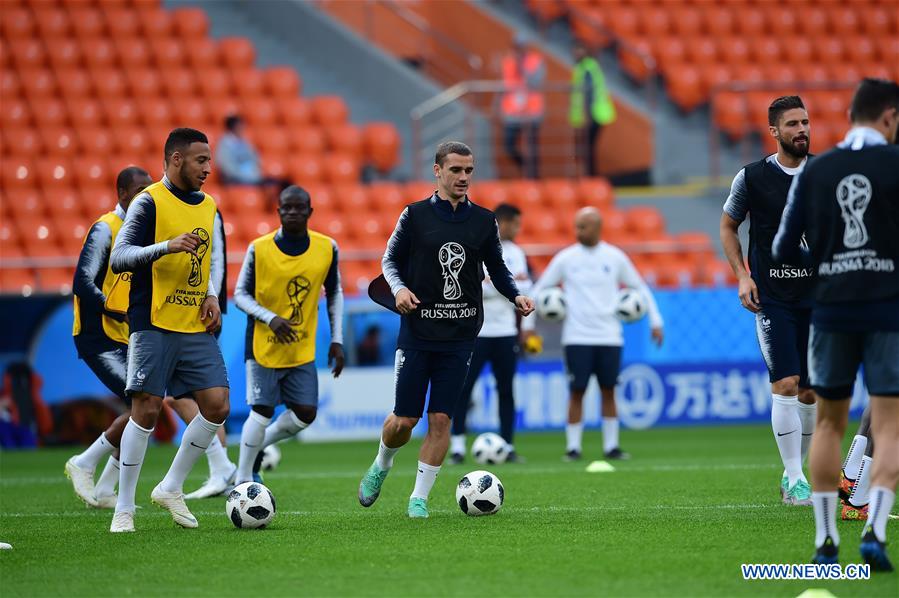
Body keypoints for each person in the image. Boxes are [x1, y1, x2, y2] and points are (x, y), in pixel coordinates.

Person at [356, 141, 534, 518]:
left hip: (462, 335)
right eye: (456, 170)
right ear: (437, 171)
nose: (464, 177)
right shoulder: (415, 215)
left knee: (441, 419)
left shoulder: (484, 221)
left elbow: (498, 269)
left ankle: (418, 498)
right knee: (404, 421)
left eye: (469, 170)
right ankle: (382, 463)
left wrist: (515, 296)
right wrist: (400, 289)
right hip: (418, 334)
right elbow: (389, 260)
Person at [773, 78, 899, 570]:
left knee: (827, 422)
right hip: (888, 308)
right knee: (888, 425)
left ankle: (826, 540)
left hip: (830, 310)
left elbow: (783, 248)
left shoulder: (816, 171)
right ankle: (876, 532)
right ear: (888, 116)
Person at [65, 168, 237, 508]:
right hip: (99, 335)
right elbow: (82, 282)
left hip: (134, 332)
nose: (147, 194)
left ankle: (102, 487)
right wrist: (114, 310)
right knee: (146, 404)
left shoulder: (151, 223)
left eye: (149, 188)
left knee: (151, 404)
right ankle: (85, 462)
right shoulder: (105, 228)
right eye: (140, 189)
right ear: (122, 193)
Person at [108, 128, 230, 533]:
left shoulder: (209, 205)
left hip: (193, 321)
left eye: (209, 161)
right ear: (176, 159)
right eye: (201, 161)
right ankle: (124, 507)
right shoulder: (148, 203)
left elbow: (204, 259)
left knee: (217, 405)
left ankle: (171, 486)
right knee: (145, 410)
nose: (208, 169)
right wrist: (166, 246)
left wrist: (211, 294)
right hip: (153, 321)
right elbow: (120, 257)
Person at [719, 95, 817, 507]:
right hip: (772, 298)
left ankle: (794, 471)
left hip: (820, 298)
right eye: (792, 124)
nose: (802, 130)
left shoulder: (825, 175)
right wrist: (742, 275)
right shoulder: (752, 177)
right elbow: (728, 225)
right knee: (786, 383)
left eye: (805, 122)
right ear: (774, 131)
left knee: (812, 392)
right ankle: (796, 479)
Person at [530, 207, 663, 461]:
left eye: (583, 226)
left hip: (609, 335)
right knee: (577, 390)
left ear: (597, 227)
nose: (578, 231)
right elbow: (539, 289)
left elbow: (640, 288)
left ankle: (611, 446)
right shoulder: (566, 258)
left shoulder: (615, 258)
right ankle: (573, 447)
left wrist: (656, 321)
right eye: (577, 226)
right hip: (576, 337)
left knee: (609, 389)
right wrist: (527, 327)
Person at [233, 185, 345, 485]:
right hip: (262, 345)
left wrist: (337, 339)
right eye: (287, 207)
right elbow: (240, 295)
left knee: (306, 413)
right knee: (262, 409)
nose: (293, 212)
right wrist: (270, 319)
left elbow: (334, 294)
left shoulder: (327, 248)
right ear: (278, 211)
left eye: (299, 207)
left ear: (310, 211)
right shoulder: (259, 248)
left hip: (301, 347)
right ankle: (243, 479)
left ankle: (260, 445)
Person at [450, 203, 531, 464]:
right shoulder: (477, 246)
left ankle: (507, 447)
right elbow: (474, 289)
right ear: (503, 223)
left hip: (506, 333)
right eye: (515, 224)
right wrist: (505, 288)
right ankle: (458, 446)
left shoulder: (517, 253)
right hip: (476, 331)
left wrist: (496, 286)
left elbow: (523, 286)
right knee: (463, 389)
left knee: (506, 390)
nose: (517, 230)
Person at [501, 33, 545, 179]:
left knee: (532, 149)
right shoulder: (508, 61)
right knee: (508, 146)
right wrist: (497, 106)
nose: (520, 49)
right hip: (512, 113)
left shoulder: (536, 61)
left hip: (531, 113)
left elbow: (536, 84)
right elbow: (504, 85)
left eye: (522, 46)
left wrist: (522, 67)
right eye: (517, 46)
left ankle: (534, 178)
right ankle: (525, 167)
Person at [570, 43, 616, 177]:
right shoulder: (586, 67)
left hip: (595, 114)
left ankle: (591, 176)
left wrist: (587, 115)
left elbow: (588, 93)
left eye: (579, 51)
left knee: (587, 147)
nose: (576, 54)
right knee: (587, 147)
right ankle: (591, 175)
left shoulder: (587, 68)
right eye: (575, 51)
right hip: (594, 114)